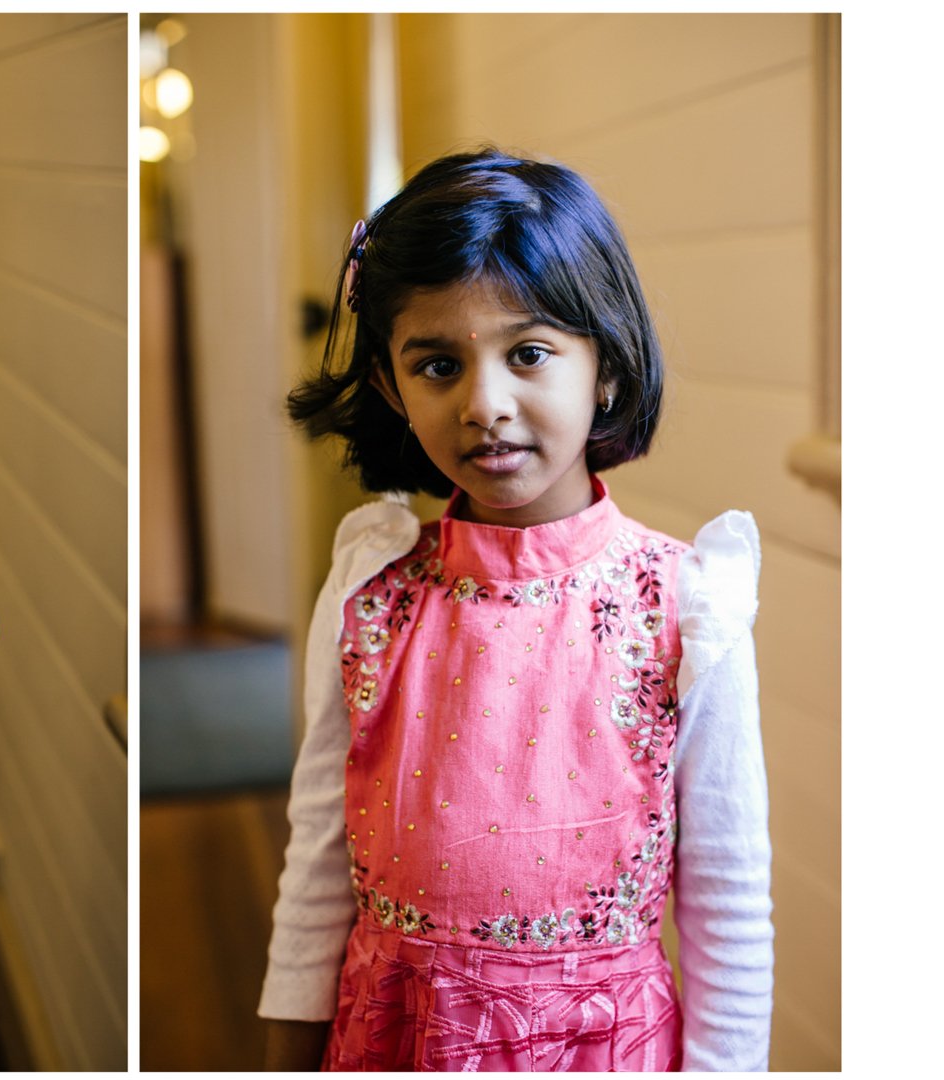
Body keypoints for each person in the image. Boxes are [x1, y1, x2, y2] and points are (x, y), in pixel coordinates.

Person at [259, 149, 772, 1071]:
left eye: (528, 353)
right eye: (439, 365)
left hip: (599, 1050)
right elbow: (318, 851)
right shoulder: (370, 596)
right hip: (392, 1039)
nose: (485, 404)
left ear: (604, 366)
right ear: (389, 386)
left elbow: (729, 898)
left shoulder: (687, 607)